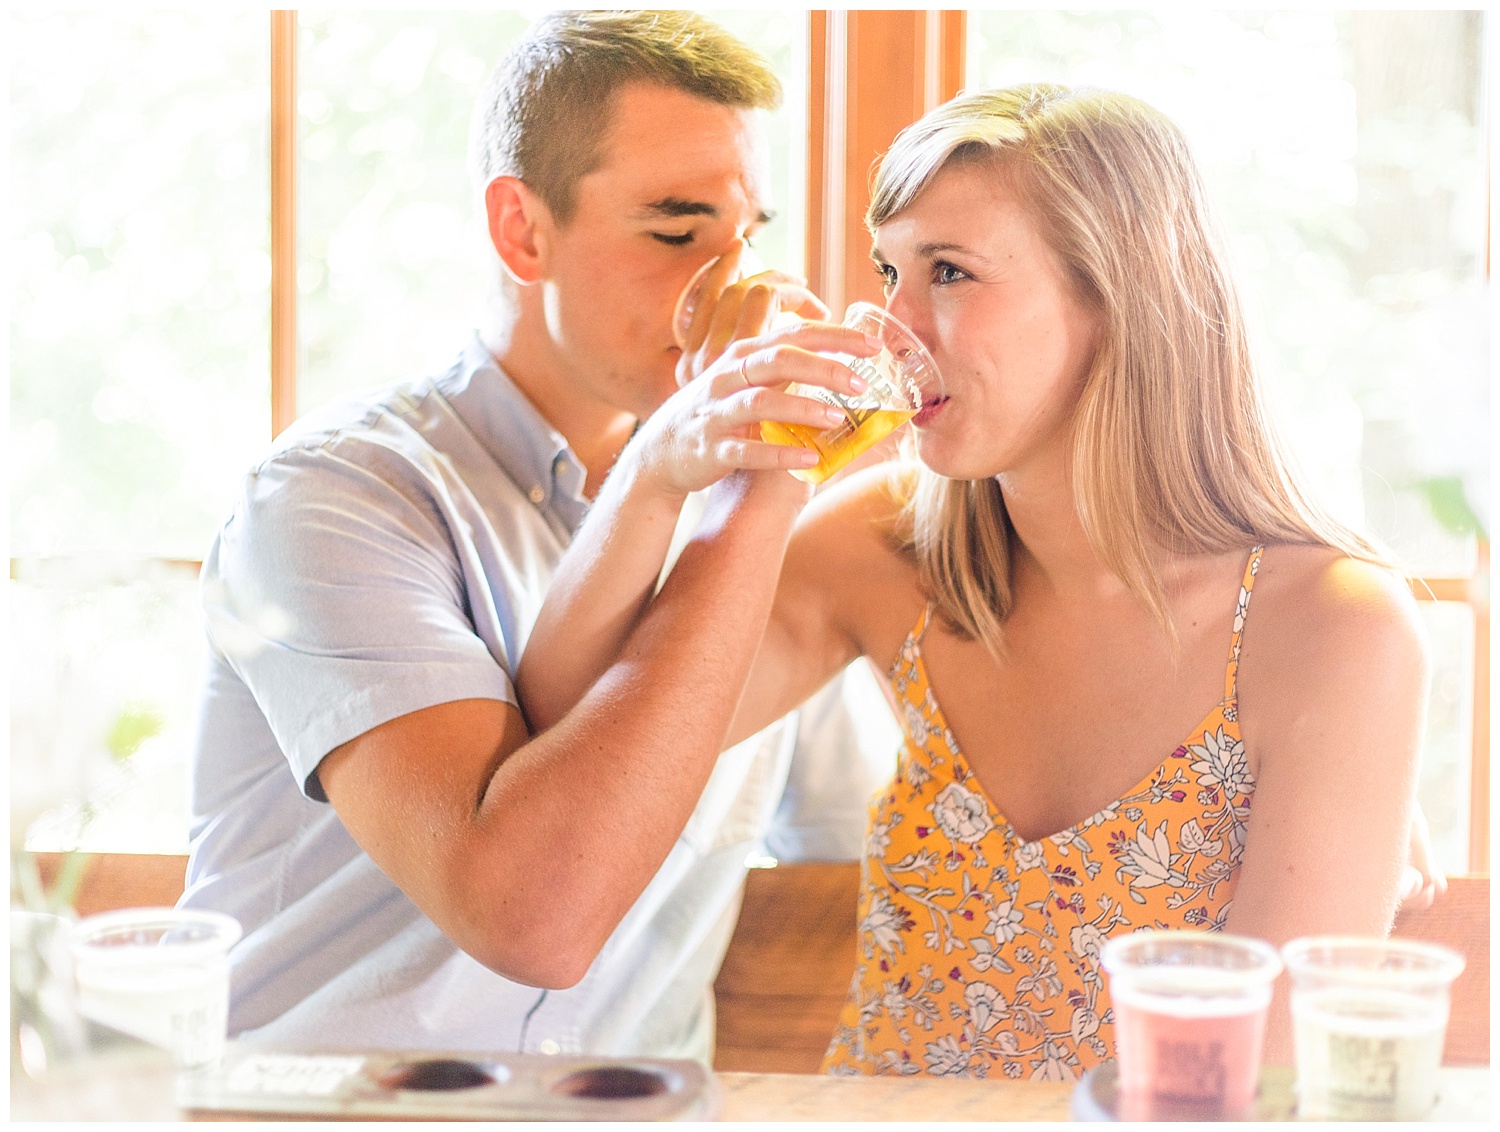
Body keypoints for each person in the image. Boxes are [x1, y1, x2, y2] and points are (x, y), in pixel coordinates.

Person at [516, 83, 1432, 1079]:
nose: (889, 327)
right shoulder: (884, 551)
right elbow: (569, 727)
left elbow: (1266, 1074)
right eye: (888, 273)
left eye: (949, 272)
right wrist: (672, 464)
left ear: (1119, 301)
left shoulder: (1336, 630)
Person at [180, 9, 885, 1060]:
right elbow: (530, 917)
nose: (737, 292)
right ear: (522, 229)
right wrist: (735, 469)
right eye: (677, 229)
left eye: (751, 237)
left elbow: (856, 857)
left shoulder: (747, 524)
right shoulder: (332, 500)